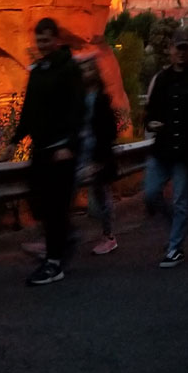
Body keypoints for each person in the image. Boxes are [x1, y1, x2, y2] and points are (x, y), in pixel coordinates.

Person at [12, 17, 85, 286]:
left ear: (56, 39)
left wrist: (69, 144)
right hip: (41, 150)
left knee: (54, 208)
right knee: (38, 203)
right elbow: (29, 109)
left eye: (46, 39)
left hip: (62, 151)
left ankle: (54, 263)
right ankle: (63, 240)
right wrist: (15, 139)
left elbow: (78, 109)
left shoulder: (69, 69)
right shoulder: (38, 71)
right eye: (39, 40)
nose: (42, 44)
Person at [143, 34, 188, 267]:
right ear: (170, 49)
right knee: (151, 194)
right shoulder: (162, 78)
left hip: (186, 152)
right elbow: (151, 112)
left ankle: (175, 248)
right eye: (177, 48)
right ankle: (178, 224)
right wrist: (151, 123)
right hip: (161, 149)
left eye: (186, 48)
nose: (181, 52)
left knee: (181, 200)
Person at [75, 52, 119, 255]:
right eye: (83, 69)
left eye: (90, 68)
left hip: (97, 157)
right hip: (81, 155)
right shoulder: (78, 98)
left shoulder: (101, 99)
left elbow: (109, 131)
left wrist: (100, 160)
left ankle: (109, 237)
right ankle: (57, 238)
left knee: (102, 197)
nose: (86, 73)